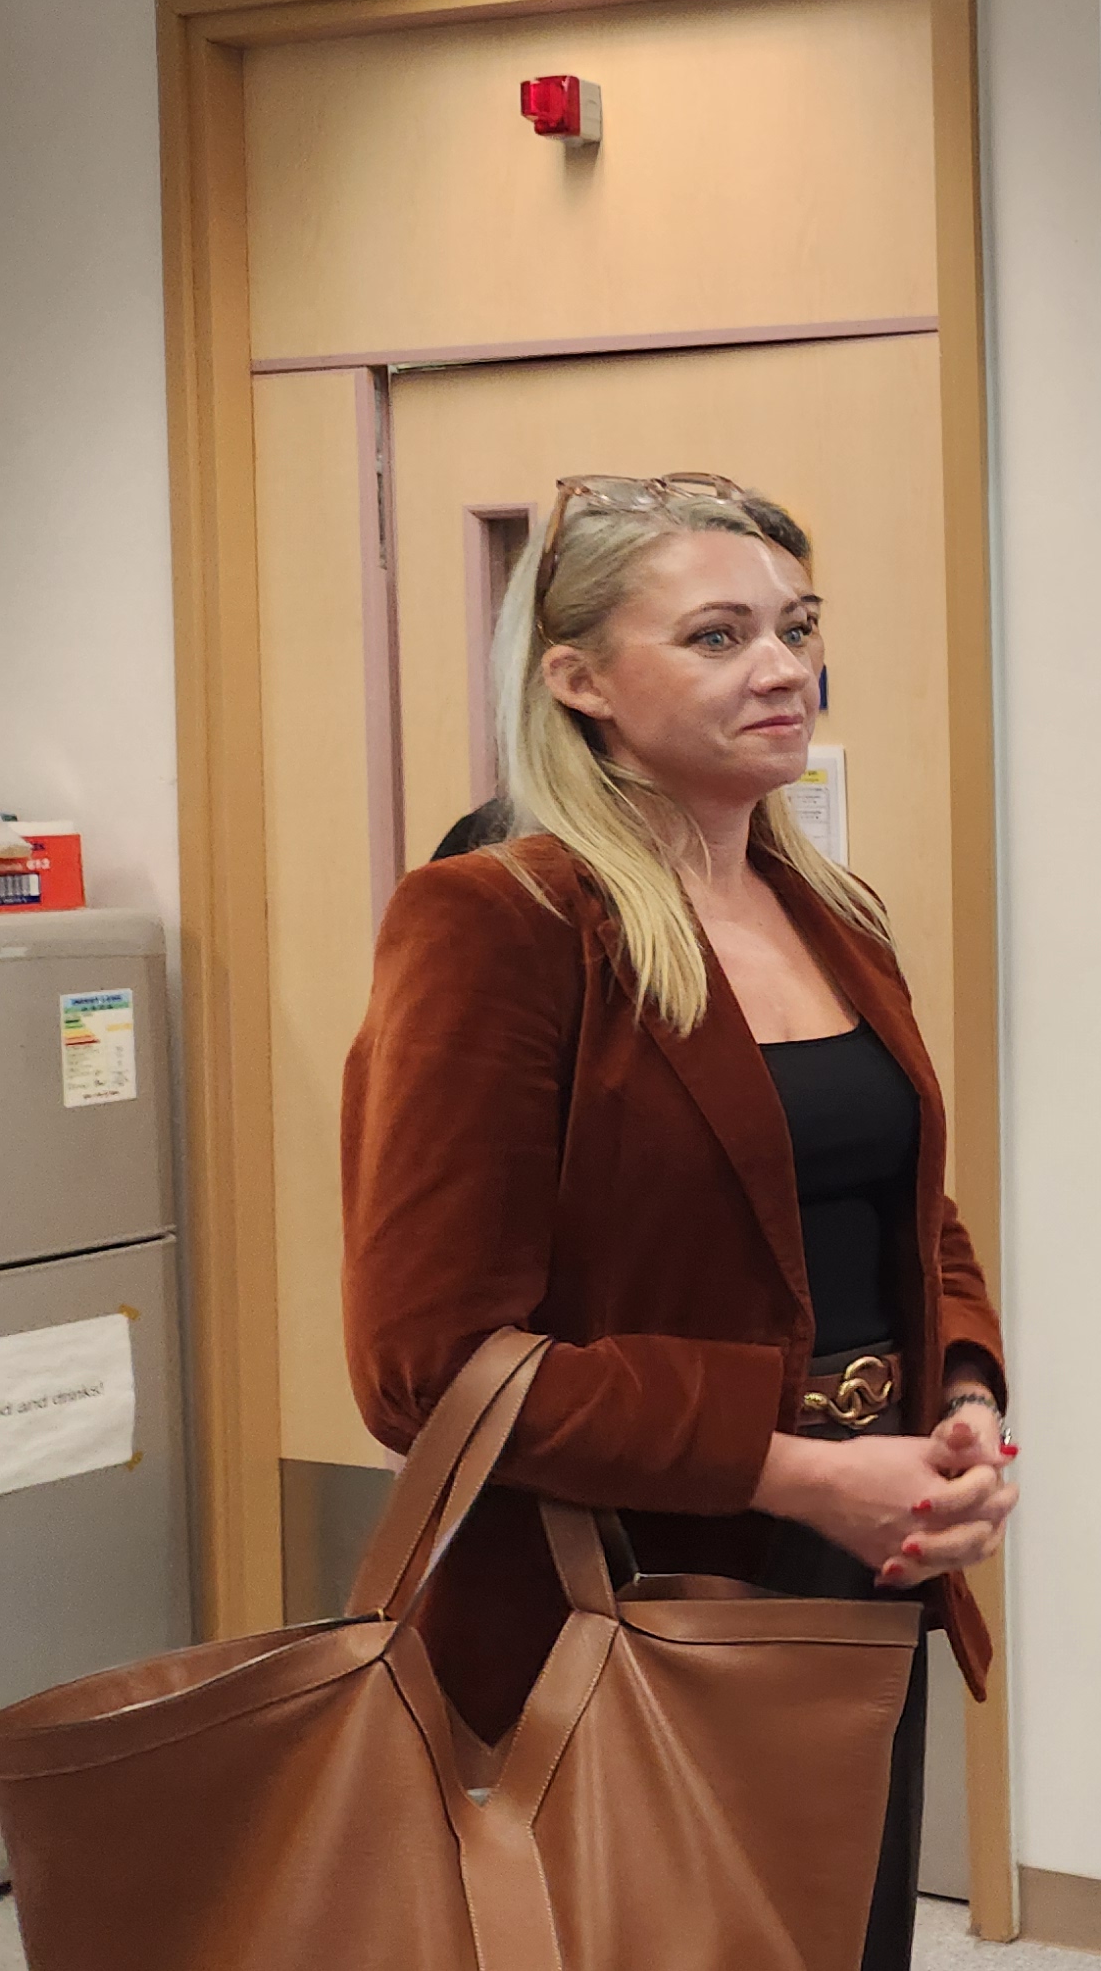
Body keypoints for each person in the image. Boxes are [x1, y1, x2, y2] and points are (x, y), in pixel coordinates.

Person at [343, 472, 1015, 1971]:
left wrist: (962, 1397)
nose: (781, 669)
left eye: (796, 627)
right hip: (619, 1604)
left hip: (858, 1566)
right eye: (716, 637)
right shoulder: (495, 924)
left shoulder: (833, 907)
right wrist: (792, 1470)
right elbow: (424, 1361)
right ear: (577, 681)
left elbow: (911, 1213)